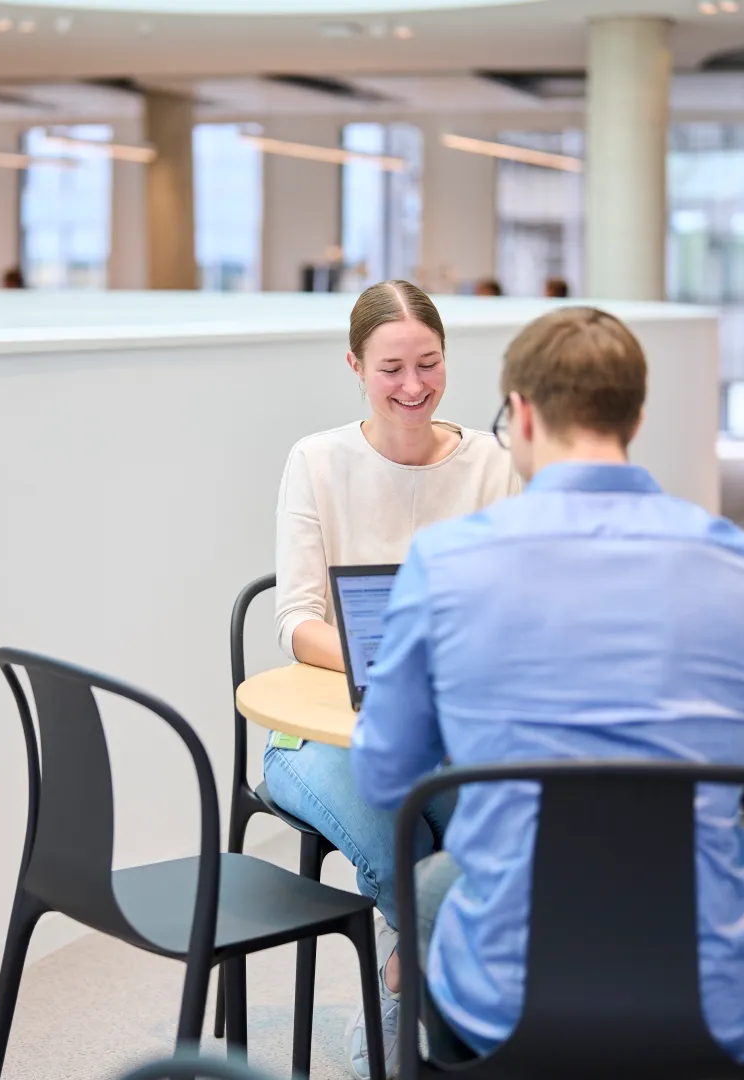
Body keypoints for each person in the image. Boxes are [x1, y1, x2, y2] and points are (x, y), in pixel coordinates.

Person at [350, 306, 744, 1066]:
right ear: (636, 415)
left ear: (521, 414)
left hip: (510, 994)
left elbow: (385, 772)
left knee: (434, 890)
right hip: (706, 996)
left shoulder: (447, 565)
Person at [268, 279, 519, 1079]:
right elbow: (297, 620)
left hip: (451, 727)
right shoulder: (317, 460)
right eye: (391, 369)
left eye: (430, 363)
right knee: (400, 823)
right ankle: (411, 982)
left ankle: (413, 991)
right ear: (354, 365)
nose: (414, 386)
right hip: (320, 733)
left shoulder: (494, 463)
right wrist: (395, 652)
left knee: (493, 810)